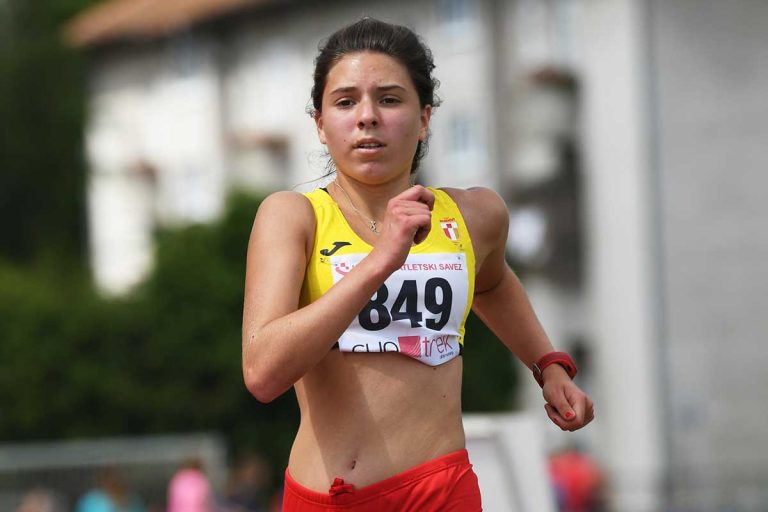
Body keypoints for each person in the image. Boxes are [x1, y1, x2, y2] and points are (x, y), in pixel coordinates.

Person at [242, 17, 595, 511]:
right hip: (332, 498)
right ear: (320, 125)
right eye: (345, 102)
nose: (367, 117)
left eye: (389, 99)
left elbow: (493, 283)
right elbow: (262, 373)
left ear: (424, 118)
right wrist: (378, 263)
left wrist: (548, 365)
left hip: (441, 489)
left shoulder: (474, 215)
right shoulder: (292, 217)